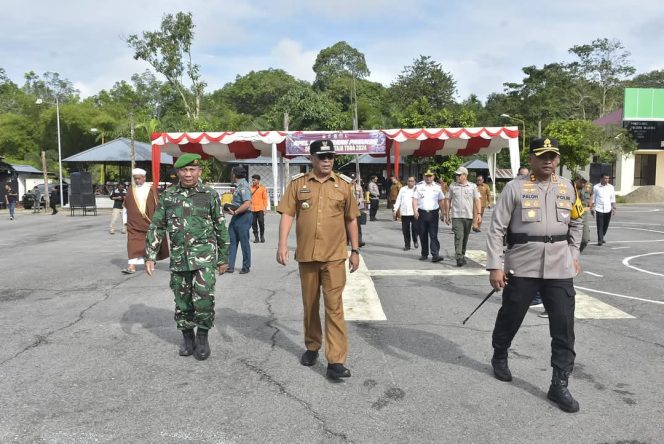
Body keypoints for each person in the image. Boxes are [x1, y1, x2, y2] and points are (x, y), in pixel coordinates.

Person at [486, 137, 583, 413]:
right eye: (542, 156)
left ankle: (559, 383)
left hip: (560, 267)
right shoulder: (515, 189)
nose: (548, 161)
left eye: (553, 156)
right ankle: (500, 353)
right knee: (511, 315)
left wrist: (573, 255)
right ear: (531, 159)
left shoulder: (567, 187)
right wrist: (495, 265)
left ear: (558, 159)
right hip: (523, 264)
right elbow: (496, 229)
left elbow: (577, 223)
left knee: (564, 326)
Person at [276, 139, 360, 381]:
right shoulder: (298, 184)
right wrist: (282, 244)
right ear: (311, 158)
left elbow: (351, 219)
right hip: (307, 256)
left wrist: (355, 250)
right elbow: (288, 214)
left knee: (334, 308)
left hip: (334, 257)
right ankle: (312, 347)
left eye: (330, 157)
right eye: (322, 157)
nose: (327, 161)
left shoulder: (343, 186)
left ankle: (335, 361)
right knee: (310, 305)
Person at [145, 153, 230, 361]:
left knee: (204, 298)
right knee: (182, 300)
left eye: (192, 170)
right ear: (178, 172)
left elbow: (220, 225)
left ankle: (202, 337)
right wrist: (150, 255)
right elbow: (157, 225)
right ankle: (187, 337)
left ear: (199, 171)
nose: (188, 174)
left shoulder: (209, 195)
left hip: (204, 257)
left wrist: (223, 257)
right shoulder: (168, 196)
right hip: (180, 258)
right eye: (184, 170)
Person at [122, 168, 168, 274]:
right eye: (135, 179)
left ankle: (150, 260)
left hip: (149, 222)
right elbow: (126, 206)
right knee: (132, 244)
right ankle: (131, 266)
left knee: (151, 243)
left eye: (139, 179)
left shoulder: (151, 189)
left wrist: (161, 220)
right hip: (134, 224)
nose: (137, 181)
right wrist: (125, 221)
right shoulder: (130, 189)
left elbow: (158, 205)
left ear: (144, 178)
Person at [443, 167, 481, 266]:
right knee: (459, 236)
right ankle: (459, 257)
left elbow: (477, 200)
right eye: (457, 175)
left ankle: (462, 255)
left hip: (468, 216)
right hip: (456, 216)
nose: (457, 176)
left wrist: (479, 214)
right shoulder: (452, 186)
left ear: (465, 175)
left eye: (459, 175)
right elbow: (447, 200)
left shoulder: (472, 186)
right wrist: (447, 214)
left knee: (465, 237)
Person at [413, 170, 445, 262]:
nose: (428, 178)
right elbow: (414, 200)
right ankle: (424, 254)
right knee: (423, 234)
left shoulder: (438, 187)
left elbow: (441, 200)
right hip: (421, 213)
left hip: (433, 213)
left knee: (433, 235)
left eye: (430, 176)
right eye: (427, 176)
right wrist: (415, 211)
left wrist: (443, 213)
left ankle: (435, 255)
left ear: (433, 177)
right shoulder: (418, 186)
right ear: (424, 176)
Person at [226, 166, 252, 274]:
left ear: (234, 175)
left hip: (243, 216)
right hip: (236, 215)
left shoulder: (243, 186)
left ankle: (246, 266)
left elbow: (247, 203)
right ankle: (230, 266)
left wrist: (236, 212)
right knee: (232, 241)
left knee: (244, 242)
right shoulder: (238, 186)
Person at [393, 176, 419, 250]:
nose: (410, 182)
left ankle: (415, 240)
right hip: (404, 212)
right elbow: (398, 200)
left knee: (415, 228)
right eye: (409, 181)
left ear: (414, 182)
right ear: (407, 181)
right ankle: (407, 245)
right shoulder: (403, 189)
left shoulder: (418, 189)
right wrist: (395, 210)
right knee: (405, 230)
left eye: (412, 181)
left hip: (414, 212)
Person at [590, 173, 616, 246]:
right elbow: (593, 198)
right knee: (600, 225)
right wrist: (592, 208)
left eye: (608, 178)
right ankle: (600, 240)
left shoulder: (611, 187)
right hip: (599, 209)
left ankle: (602, 236)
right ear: (601, 179)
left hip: (608, 208)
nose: (606, 180)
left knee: (606, 225)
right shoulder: (596, 187)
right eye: (605, 178)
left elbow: (612, 198)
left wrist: (614, 207)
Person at [250, 174, 269, 243]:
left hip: (260, 208)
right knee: (253, 224)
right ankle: (256, 238)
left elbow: (265, 198)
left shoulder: (262, 188)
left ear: (258, 180)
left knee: (261, 223)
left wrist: (265, 208)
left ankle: (262, 236)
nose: (253, 181)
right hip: (252, 209)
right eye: (252, 180)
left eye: (254, 180)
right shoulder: (250, 188)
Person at [575, 176, 591, 252]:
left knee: (585, 240)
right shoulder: (569, 188)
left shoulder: (587, 188)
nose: (583, 183)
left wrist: (591, 206)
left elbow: (591, 195)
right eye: (581, 181)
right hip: (572, 216)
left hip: (584, 215)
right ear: (576, 180)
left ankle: (577, 253)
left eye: (585, 182)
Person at [351, 175, 366, 247]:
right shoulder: (346, 186)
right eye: (351, 179)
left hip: (357, 208)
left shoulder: (359, 187)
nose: (353, 180)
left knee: (358, 225)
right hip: (348, 208)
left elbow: (362, 197)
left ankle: (359, 240)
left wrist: (358, 201)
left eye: (354, 179)